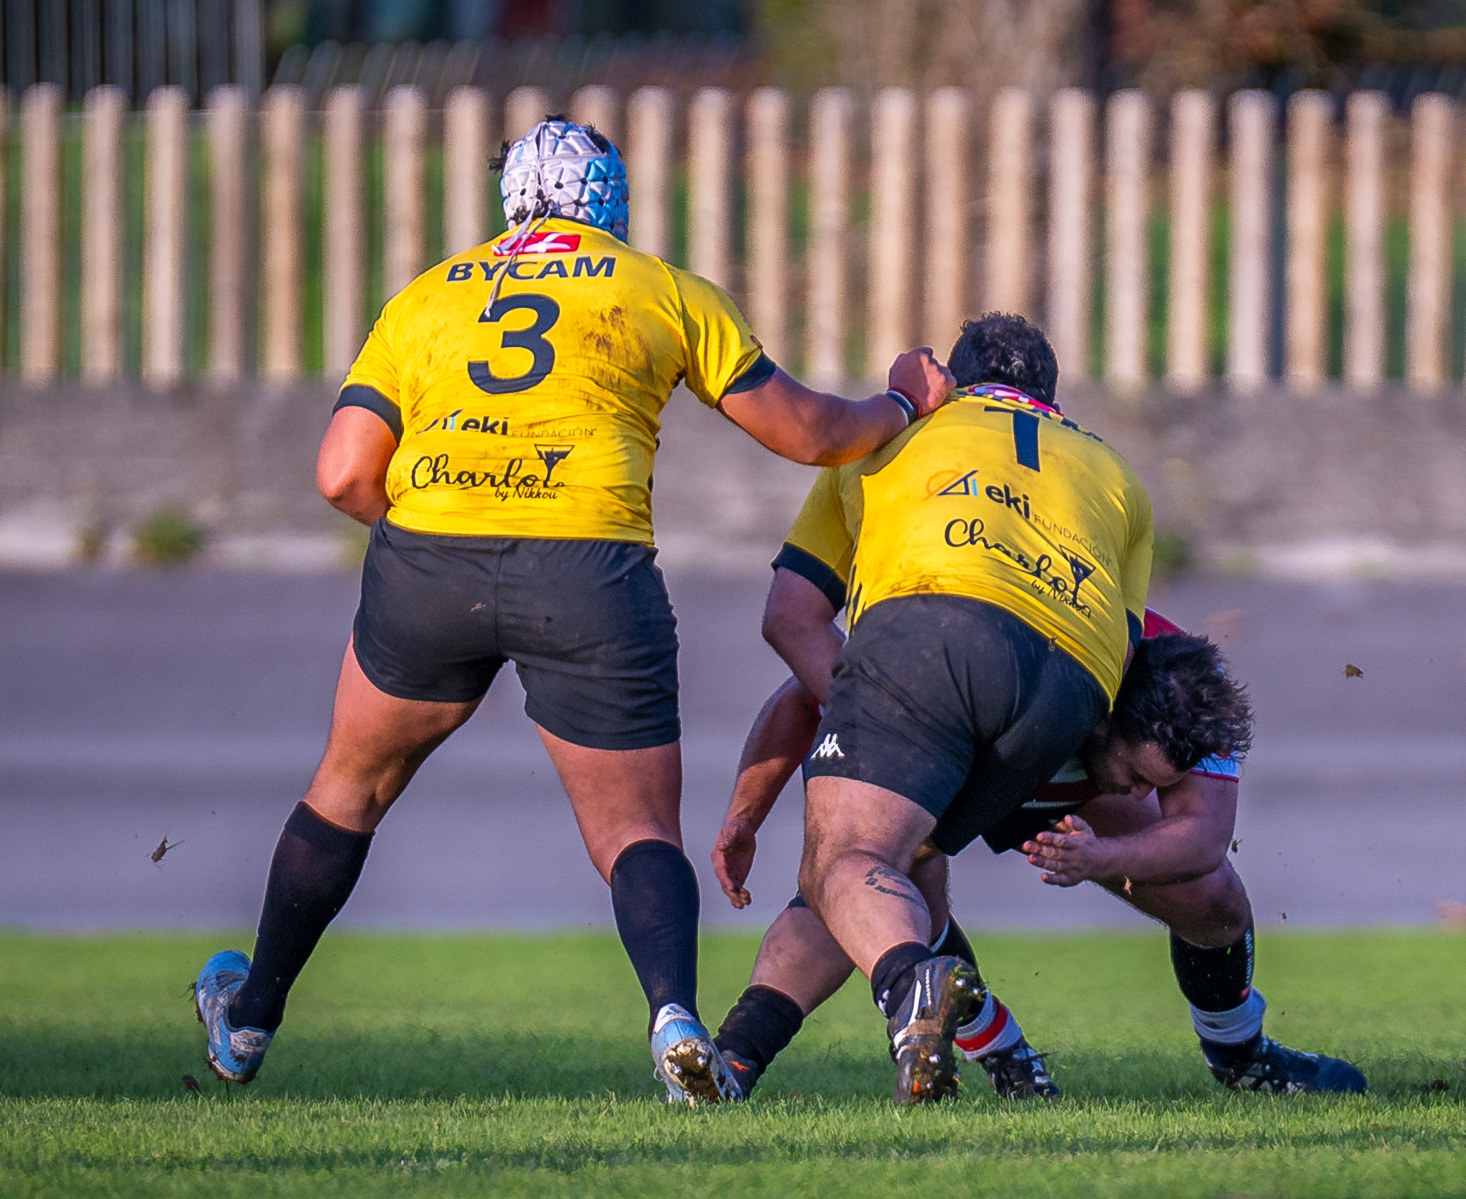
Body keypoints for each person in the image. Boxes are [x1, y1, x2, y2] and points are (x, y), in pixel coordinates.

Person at [190, 117, 954, 1105]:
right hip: (587, 566)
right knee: (633, 830)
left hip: (430, 559)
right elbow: (810, 435)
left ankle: (249, 1018)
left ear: (508, 202)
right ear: (613, 206)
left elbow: (341, 472)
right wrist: (901, 405)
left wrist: (430, 532)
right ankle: (676, 1020)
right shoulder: (655, 286)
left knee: (346, 791)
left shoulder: (428, 294)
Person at [709, 612, 1367, 1100]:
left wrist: (1100, 854)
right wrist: (746, 810)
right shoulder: (988, 642)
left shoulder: (1201, 698)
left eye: (1157, 783)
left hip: (1054, 769)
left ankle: (1240, 1055)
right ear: (1104, 713)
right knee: (868, 875)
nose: (1143, 793)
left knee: (1214, 897)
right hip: (969, 731)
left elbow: (1199, 840)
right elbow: (804, 691)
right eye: (1136, 774)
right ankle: (737, 1056)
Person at [753, 311, 1157, 1104]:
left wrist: (878, 727)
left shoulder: (888, 436)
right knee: (903, 862)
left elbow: (791, 616)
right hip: (1070, 688)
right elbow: (1127, 652)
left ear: (952, 384)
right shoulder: (1118, 477)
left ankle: (913, 991)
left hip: (936, 627)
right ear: (1050, 394)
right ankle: (738, 1062)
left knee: (846, 862)